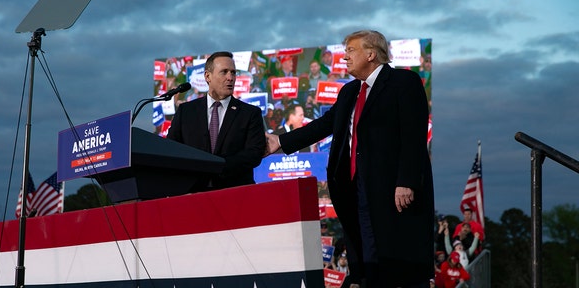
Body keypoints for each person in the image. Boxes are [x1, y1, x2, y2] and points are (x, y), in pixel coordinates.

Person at [265, 30, 434, 287]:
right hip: (354, 186)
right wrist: (280, 141)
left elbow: (414, 134)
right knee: (367, 253)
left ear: (371, 54)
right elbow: (324, 125)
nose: (344, 57)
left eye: (350, 51)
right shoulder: (349, 92)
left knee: (396, 257)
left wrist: (407, 180)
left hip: (391, 187)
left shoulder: (403, 82)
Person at [167, 51, 266, 191]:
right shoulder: (186, 112)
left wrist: (218, 165)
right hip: (193, 193)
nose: (230, 78)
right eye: (224, 72)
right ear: (208, 76)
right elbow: (172, 149)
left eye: (233, 72)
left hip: (235, 194)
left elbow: (254, 154)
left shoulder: (250, 113)